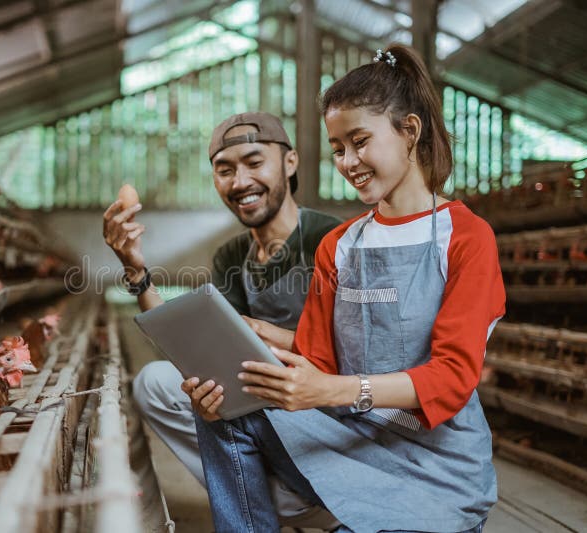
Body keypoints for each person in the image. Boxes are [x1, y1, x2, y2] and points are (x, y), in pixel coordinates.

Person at [187, 45, 506, 533]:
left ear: (410, 131)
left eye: (360, 141)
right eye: (338, 148)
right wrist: (235, 367)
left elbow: (452, 377)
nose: (348, 161)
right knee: (224, 410)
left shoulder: (464, 237)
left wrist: (332, 389)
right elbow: (318, 359)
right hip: (352, 445)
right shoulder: (339, 245)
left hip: (437, 470)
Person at [102, 112, 342, 526]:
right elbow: (192, 346)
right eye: (225, 170)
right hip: (264, 407)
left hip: (325, 413)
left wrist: (268, 338)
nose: (239, 181)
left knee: (233, 400)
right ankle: (277, 498)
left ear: (290, 163)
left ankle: (318, 498)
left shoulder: (331, 239)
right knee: (159, 383)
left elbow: (355, 355)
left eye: (254, 162)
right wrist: (136, 270)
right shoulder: (232, 256)